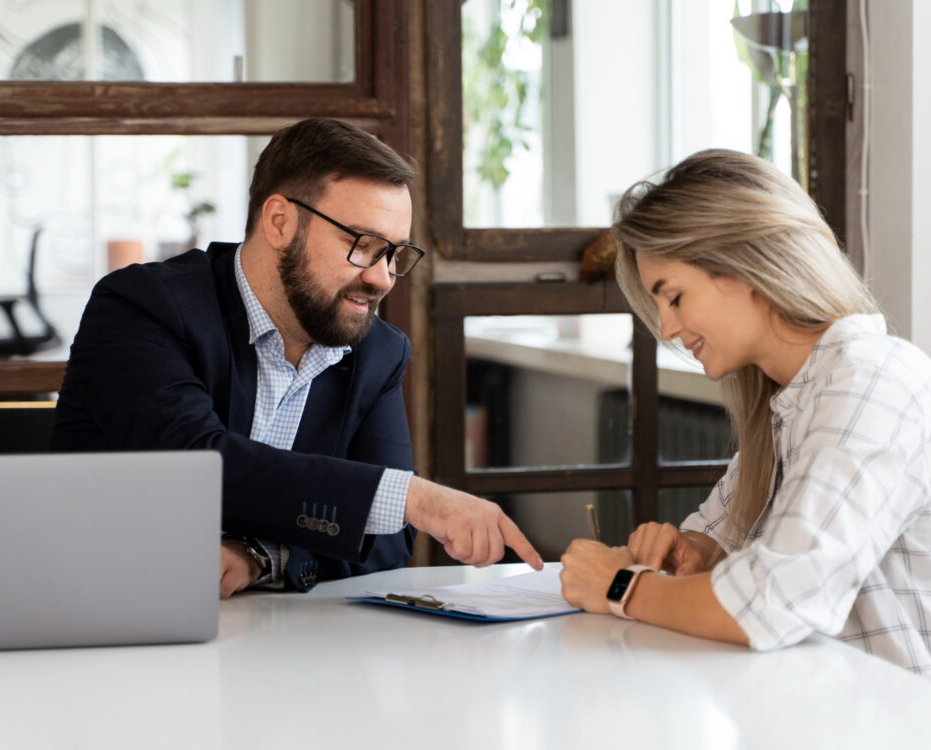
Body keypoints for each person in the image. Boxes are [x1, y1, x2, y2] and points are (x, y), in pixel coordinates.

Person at [52, 118, 542, 598]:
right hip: (102, 607)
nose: (382, 278)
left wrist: (261, 557)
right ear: (280, 222)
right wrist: (411, 496)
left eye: (394, 254)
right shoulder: (142, 306)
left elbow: (391, 538)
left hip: (276, 634)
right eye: (362, 245)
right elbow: (195, 464)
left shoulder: (378, 351)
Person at [559, 149, 931, 675]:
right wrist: (689, 552)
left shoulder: (870, 383)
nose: (667, 329)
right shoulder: (789, 404)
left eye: (674, 297)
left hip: (890, 713)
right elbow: (716, 540)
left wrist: (621, 587)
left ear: (744, 267)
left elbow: (773, 601)